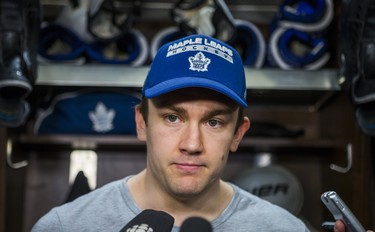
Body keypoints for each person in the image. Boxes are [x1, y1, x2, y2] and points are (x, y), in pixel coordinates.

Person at [30, 33, 353, 231]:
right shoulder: (66, 226)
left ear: (238, 134)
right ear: (142, 123)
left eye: (214, 122)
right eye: (173, 118)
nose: (192, 144)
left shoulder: (283, 229)